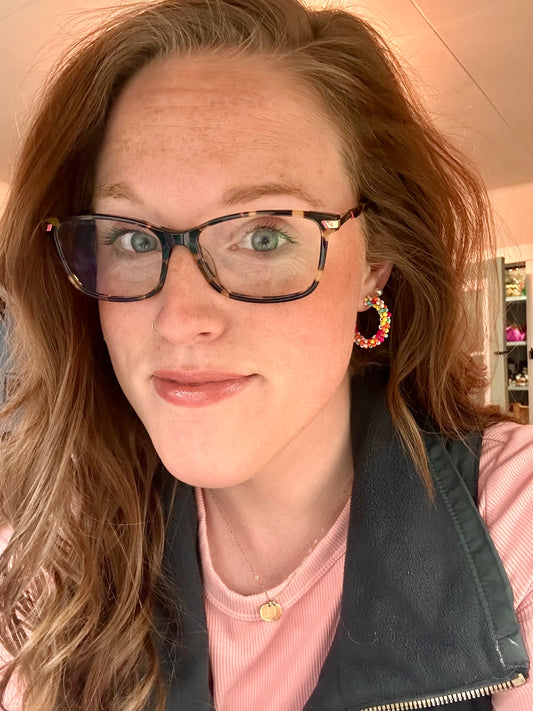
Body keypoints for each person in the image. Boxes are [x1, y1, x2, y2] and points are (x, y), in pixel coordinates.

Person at [0, 0, 531, 709]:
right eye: (131, 237)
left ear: (374, 266)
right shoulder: (48, 551)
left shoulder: (511, 522)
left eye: (263, 236)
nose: (179, 320)